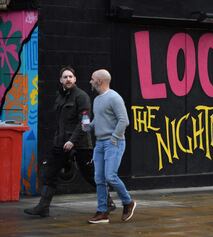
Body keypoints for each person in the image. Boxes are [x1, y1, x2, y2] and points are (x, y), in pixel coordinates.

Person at [24, 66, 115, 217]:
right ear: (60, 80)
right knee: (50, 173)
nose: (68, 79)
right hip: (61, 143)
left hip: (80, 144)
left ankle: (108, 202)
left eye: (71, 77)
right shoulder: (60, 97)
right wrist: (58, 140)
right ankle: (43, 207)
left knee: (90, 175)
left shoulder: (82, 96)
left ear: (75, 79)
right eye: (65, 77)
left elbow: (85, 123)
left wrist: (73, 141)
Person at [85, 69, 136, 224]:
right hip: (99, 143)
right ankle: (102, 212)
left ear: (99, 81)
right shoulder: (97, 100)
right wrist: (88, 126)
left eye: (92, 79)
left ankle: (128, 202)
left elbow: (124, 121)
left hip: (114, 142)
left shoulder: (114, 97)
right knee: (99, 178)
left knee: (110, 176)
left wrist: (114, 138)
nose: (90, 81)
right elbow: (98, 120)